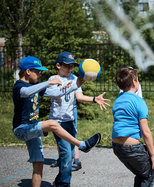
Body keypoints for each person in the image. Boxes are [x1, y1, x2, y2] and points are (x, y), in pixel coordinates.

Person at [12, 56, 101, 187]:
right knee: (53, 123)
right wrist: (48, 82)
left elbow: (56, 93)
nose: (40, 74)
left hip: (33, 129)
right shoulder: (19, 86)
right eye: (38, 71)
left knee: (38, 164)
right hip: (22, 128)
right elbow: (25, 92)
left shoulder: (35, 86)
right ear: (28, 71)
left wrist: (75, 85)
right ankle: (82, 145)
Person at [48, 51, 110, 187]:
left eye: (72, 66)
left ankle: (59, 181)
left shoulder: (74, 78)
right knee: (65, 155)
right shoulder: (53, 79)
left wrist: (94, 99)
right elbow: (53, 94)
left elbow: (79, 97)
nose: (70, 68)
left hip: (69, 121)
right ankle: (63, 184)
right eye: (67, 66)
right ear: (58, 65)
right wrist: (65, 87)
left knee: (69, 155)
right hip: (57, 122)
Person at [112, 66, 154, 186]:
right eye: (137, 80)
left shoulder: (118, 100)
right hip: (131, 146)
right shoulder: (139, 101)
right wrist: (152, 155)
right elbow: (146, 131)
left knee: (141, 173)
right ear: (134, 82)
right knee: (149, 173)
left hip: (117, 146)